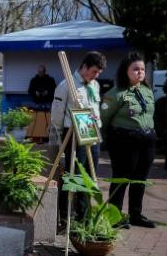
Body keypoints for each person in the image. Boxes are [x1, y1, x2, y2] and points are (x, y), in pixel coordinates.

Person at [101, 52, 156, 228]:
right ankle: (114, 217)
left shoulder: (147, 91)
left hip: (146, 140)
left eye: (142, 69)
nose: (140, 72)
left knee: (140, 179)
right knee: (121, 178)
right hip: (123, 141)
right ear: (126, 71)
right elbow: (104, 119)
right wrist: (104, 140)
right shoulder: (116, 93)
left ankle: (135, 214)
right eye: (136, 69)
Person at [51, 51, 106, 225]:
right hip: (73, 132)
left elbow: (95, 108)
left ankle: (84, 214)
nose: (96, 75)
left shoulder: (94, 85)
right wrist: (60, 135)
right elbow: (57, 115)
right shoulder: (66, 85)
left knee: (90, 174)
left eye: (98, 73)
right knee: (74, 175)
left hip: (91, 132)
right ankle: (66, 215)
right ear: (84, 67)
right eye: (94, 71)